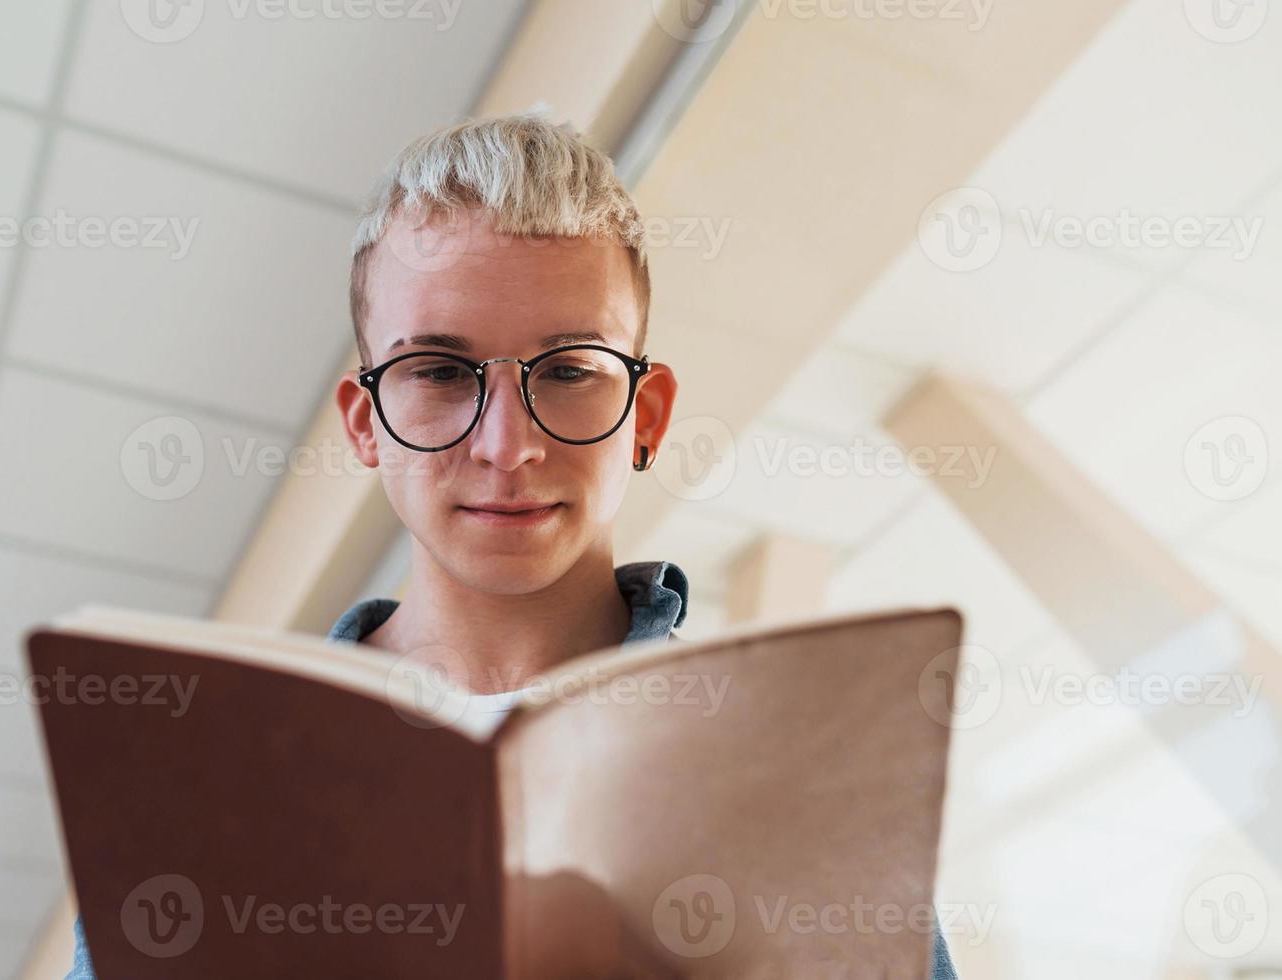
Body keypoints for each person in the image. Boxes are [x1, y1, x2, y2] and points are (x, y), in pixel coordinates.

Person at [64, 111, 958, 978]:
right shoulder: (211, 794)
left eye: (569, 370)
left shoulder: (798, 781)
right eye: (441, 373)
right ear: (367, 422)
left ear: (645, 417)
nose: (506, 445)